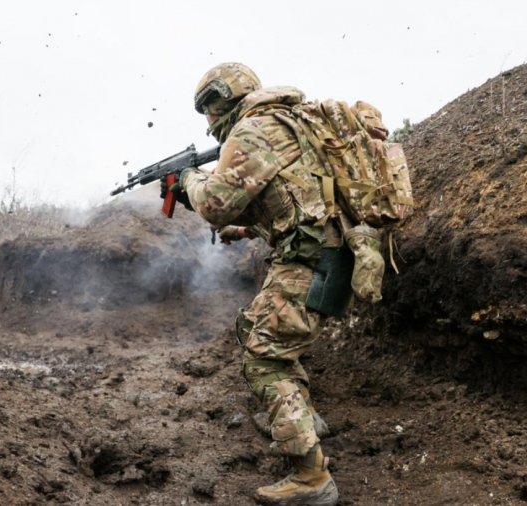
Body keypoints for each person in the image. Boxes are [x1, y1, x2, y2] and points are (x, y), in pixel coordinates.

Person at [161, 62, 390, 505]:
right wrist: (246, 230)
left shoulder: (251, 131)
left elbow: (215, 203)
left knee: (265, 360)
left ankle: (311, 478)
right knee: (271, 341)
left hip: (308, 260)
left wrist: (187, 179)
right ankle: (304, 421)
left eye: (208, 112)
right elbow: (295, 197)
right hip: (334, 254)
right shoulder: (290, 121)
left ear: (219, 102)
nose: (209, 124)